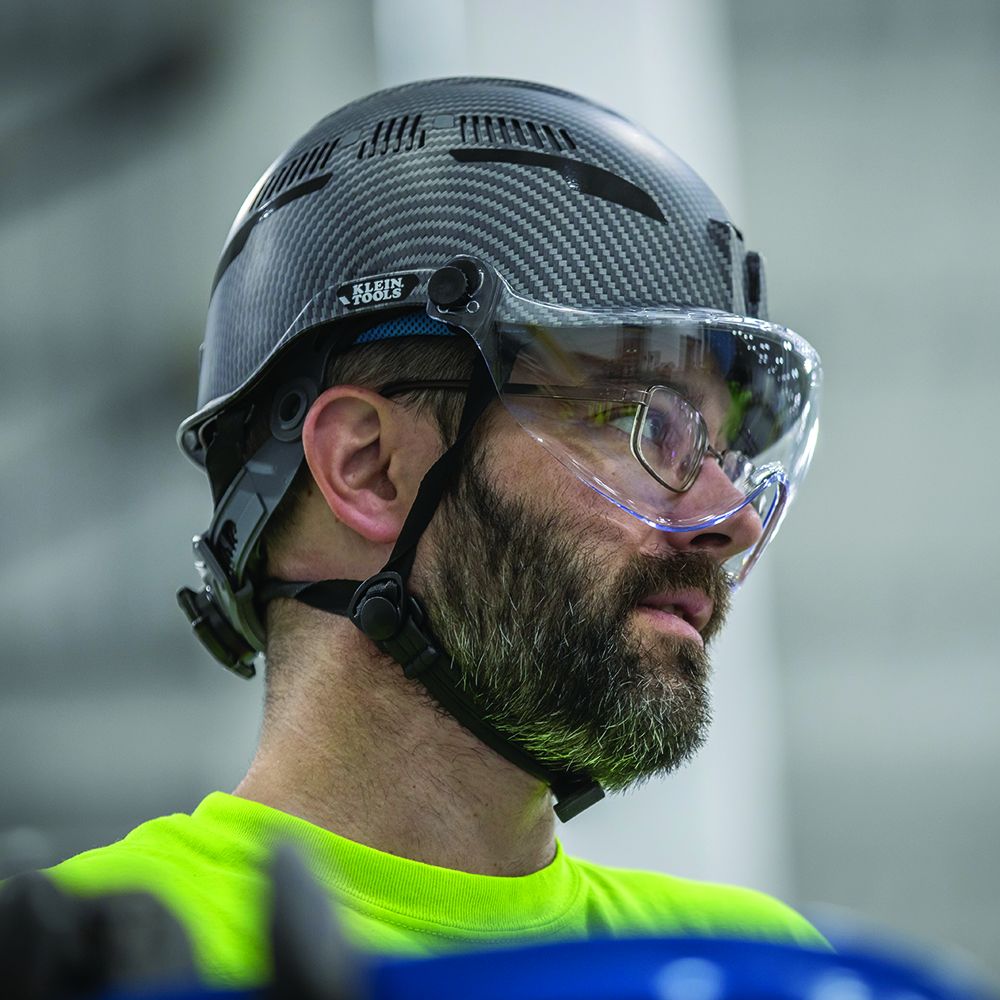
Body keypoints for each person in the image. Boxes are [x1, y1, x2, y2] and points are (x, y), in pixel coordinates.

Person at [37, 77, 825, 988]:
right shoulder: (80, 963)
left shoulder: (753, 967)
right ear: (370, 467)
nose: (731, 519)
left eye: (724, 452)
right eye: (647, 425)